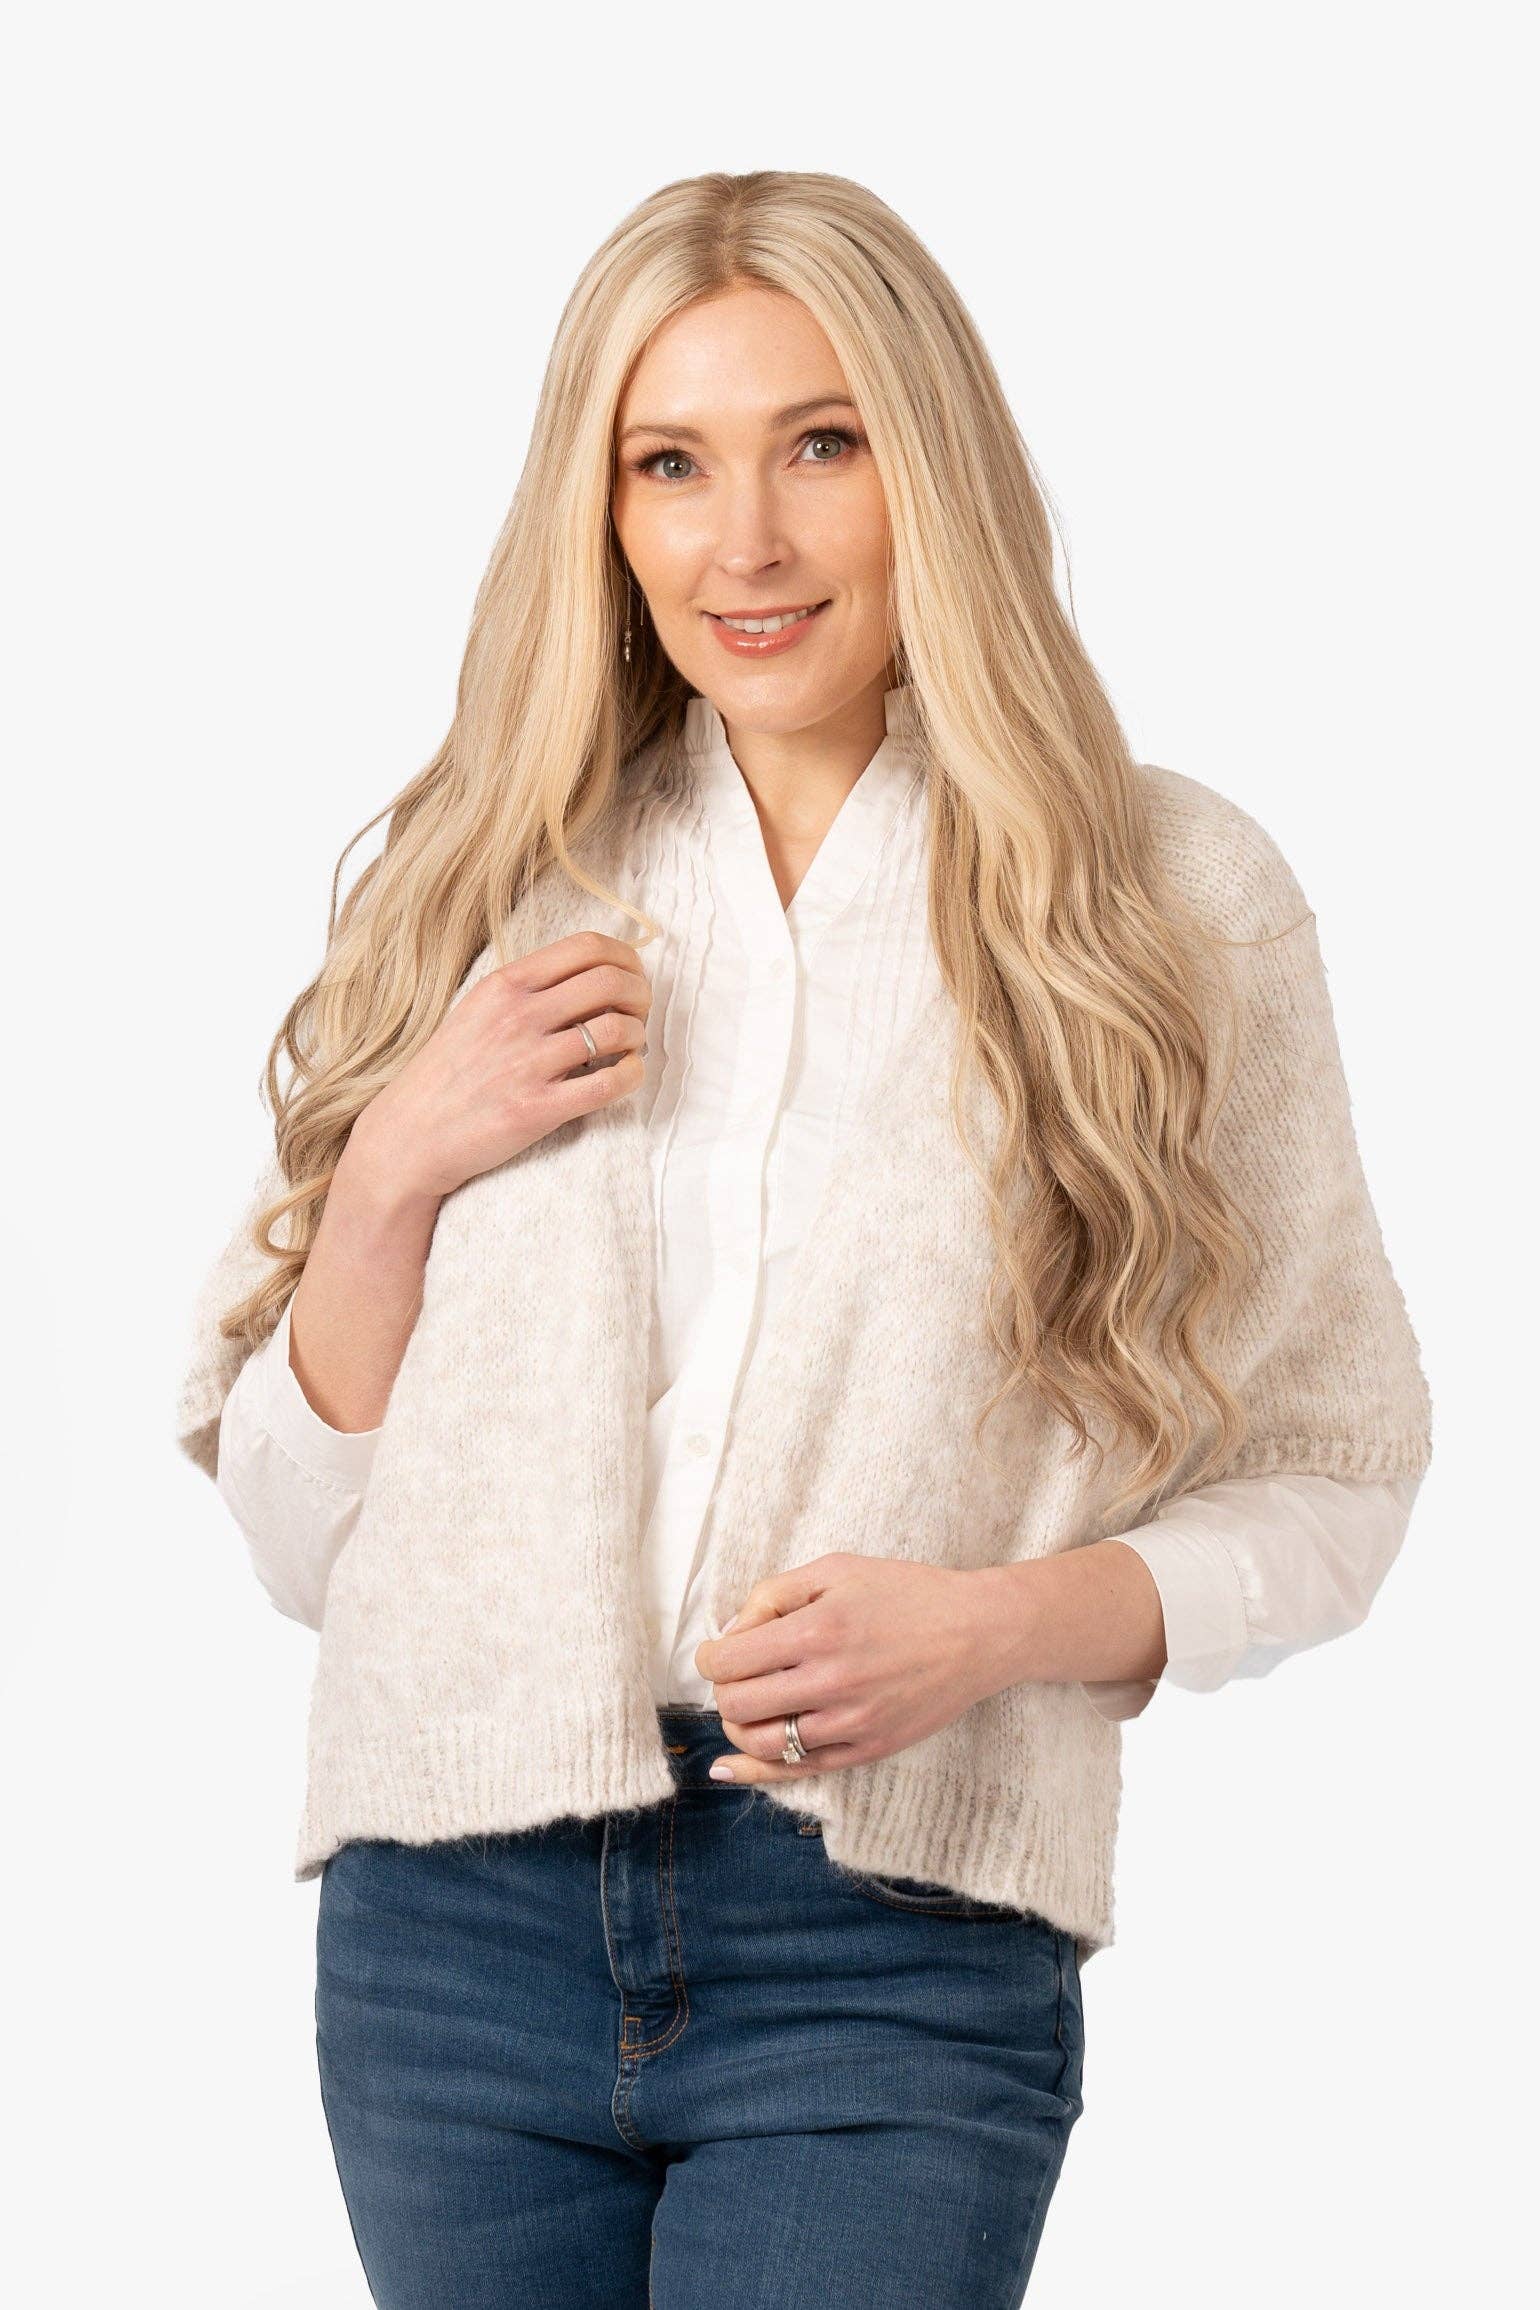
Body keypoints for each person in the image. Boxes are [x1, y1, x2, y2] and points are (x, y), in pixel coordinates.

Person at [175, 170, 1433, 2308]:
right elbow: (312, 1554)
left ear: (932, 469)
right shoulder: (478, 884)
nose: (740, 542)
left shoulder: (1163, 903)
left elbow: (1335, 1475)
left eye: (819, 446)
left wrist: (993, 1627)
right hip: (446, 1941)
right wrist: (391, 1170)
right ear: (600, 514)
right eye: (668, 464)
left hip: (888, 1934)